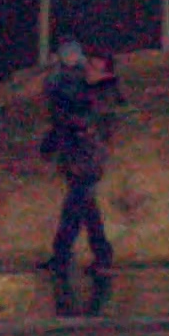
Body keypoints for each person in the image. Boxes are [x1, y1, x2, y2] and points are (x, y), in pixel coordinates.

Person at [40, 41, 115, 273]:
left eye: (94, 67)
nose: (88, 70)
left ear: (106, 73)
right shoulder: (83, 90)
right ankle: (98, 255)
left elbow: (86, 122)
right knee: (86, 210)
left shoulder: (105, 94)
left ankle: (64, 256)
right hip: (76, 157)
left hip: (89, 160)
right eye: (89, 65)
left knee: (74, 210)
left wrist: (66, 120)